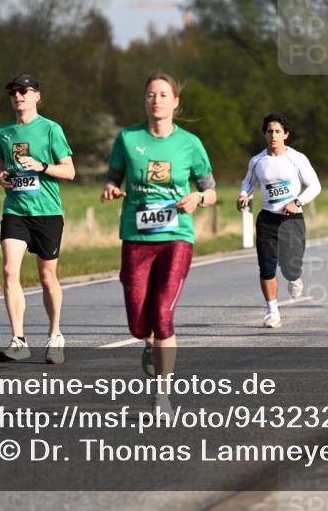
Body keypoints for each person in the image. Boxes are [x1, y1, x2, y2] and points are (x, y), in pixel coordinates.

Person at [102, 72, 217, 413]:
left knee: (163, 312)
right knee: (139, 323)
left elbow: (210, 190)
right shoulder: (127, 139)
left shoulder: (190, 144)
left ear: (175, 102)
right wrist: (111, 187)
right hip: (136, 238)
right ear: (145, 101)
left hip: (176, 237)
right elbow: (113, 175)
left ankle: (162, 394)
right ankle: (148, 343)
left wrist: (198, 198)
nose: (157, 100)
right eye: (151, 95)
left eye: (164, 94)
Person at [0, 74, 75, 364]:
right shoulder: (3, 132)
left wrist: (41, 166)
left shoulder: (51, 130)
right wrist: (1, 174)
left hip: (48, 212)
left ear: (37, 96)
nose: (18, 96)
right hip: (16, 210)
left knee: (47, 277)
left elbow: (70, 171)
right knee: (8, 271)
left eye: (24, 91)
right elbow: (0, 160)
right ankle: (19, 340)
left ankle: (55, 335)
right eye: (13, 91)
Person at [237, 114, 321, 328]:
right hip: (267, 219)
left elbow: (315, 186)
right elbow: (249, 184)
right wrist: (244, 196)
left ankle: (294, 277)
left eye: (277, 131)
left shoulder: (297, 158)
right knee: (266, 266)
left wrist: (298, 202)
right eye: (269, 131)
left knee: (290, 268)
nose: (273, 135)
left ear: (286, 134)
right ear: (264, 134)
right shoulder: (257, 161)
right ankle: (272, 311)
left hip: (292, 218)